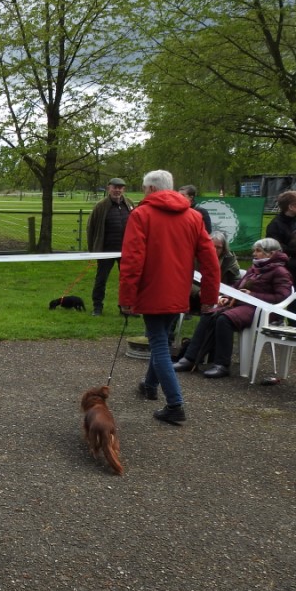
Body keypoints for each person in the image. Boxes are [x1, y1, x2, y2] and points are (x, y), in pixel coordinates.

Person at [119, 169, 220, 424]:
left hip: (152, 291)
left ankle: (175, 404)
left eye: (144, 188)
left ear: (152, 189)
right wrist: (209, 297)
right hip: (179, 291)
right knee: (162, 339)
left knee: (159, 345)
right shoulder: (194, 216)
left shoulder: (141, 215)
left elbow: (132, 260)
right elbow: (210, 261)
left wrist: (127, 298)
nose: (143, 192)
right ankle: (149, 385)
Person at [174, 238, 292, 378]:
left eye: (258, 251)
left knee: (224, 319)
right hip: (244, 305)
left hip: (263, 311)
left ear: (270, 253)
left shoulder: (280, 271)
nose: (254, 253)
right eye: (254, 250)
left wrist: (252, 295)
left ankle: (222, 365)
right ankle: (189, 359)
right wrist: (227, 297)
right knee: (208, 314)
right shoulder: (255, 268)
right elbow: (237, 286)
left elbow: (282, 297)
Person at [87, 177, 133, 317]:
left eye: (120, 188)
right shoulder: (100, 206)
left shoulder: (129, 204)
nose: (117, 190)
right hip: (105, 250)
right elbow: (91, 228)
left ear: (123, 189)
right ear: (109, 188)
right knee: (101, 280)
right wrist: (93, 251)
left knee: (127, 281)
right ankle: (97, 307)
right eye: (115, 187)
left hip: (125, 251)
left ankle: (125, 308)